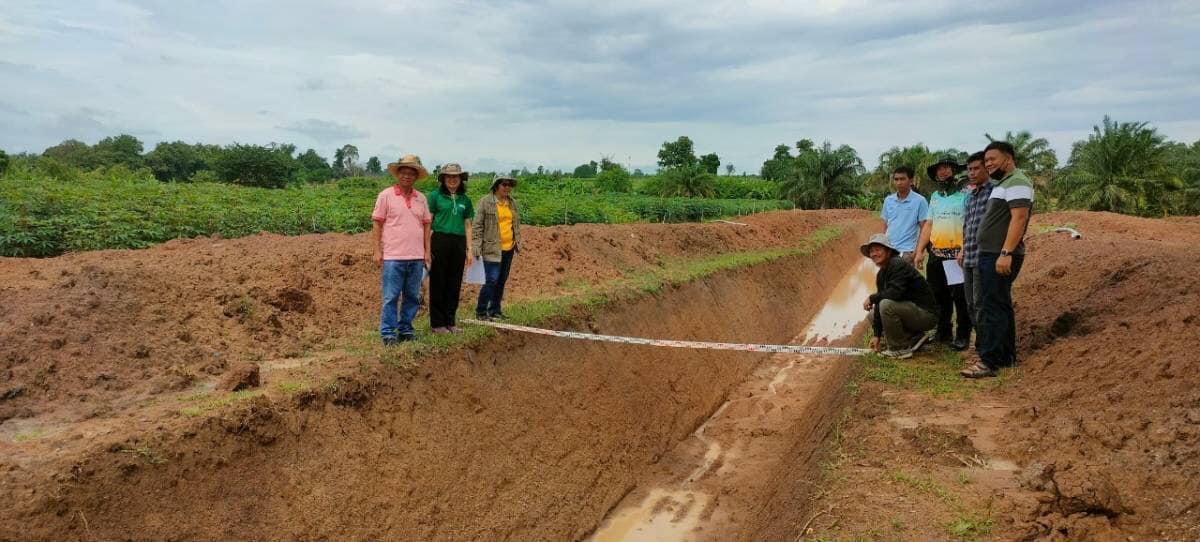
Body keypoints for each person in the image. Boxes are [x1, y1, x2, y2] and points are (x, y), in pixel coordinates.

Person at [961, 141, 1034, 379]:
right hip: (990, 253)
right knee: (998, 305)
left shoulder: (1018, 182)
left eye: (993, 159)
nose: (989, 164)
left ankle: (989, 361)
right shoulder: (1005, 183)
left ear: (1008, 158)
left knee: (993, 307)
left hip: (998, 254)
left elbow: (1019, 219)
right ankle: (1004, 356)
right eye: (987, 160)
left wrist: (1005, 253)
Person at [372, 155, 432, 345]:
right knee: (391, 296)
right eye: (403, 172)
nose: (407, 176)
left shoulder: (421, 199)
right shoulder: (386, 195)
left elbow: (426, 226)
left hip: (416, 256)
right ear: (398, 174)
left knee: (412, 296)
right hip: (393, 256)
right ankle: (388, 333)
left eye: (411, 173)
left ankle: (406, 329)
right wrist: (377, 250)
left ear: (416, 177)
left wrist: (427, 252)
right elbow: (377, 223)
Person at [913, 156, 971, 350]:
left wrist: (965, 248)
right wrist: (920, 250)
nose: (943, 171)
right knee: (938, 296)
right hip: (936, 255)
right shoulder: (936, 197)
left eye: (947, 168)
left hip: (955, 256)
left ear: (954, 170)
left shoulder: (965, 193)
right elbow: (929, 224)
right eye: (940, 169)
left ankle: (962, 336)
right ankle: (943, 331)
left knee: (959, 297)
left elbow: (971, 224)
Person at [861, 233, 938, 359]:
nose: (874, 254)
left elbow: (894, 293)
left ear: (888, 251)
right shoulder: (881, 274)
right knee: (873, 312)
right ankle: (913, 336)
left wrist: (872, 297)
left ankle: (900, 349)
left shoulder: (897, 264)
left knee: (886, 305)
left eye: (877, 250)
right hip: (911, 312)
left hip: (926, 315)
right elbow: (880, 301)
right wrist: (877, 335)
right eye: (871, 251)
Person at [426, 163, 475, 334]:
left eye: (456, 177)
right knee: (438, 281)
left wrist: (469, 249)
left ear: (461, 179)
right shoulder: (435, 197)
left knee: (454, 283)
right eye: (449, 177)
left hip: (459, 242)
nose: (452, 180)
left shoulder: (465, 200)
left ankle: (450, 321)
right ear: (443, 179)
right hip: (440, 240)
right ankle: (437, 323)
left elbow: (468, 225)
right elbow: (428, 222)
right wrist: (426, 247)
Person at [472, 174, 521, 320]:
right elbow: (477, 225)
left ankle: (495, 310)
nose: (507, 188)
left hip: (509, 248)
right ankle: (481, 311)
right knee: (491, 280)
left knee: (501, 280)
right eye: (504, 184)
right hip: (492, 248)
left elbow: (515, 224)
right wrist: (476, 246)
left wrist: (517, 241)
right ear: (496, 185)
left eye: (510, 185)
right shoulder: (485, 202)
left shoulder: (512, 203)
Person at [956, 151, 995, 330]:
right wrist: (963, 250)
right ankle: (981, 341)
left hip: (983, 258)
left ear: (986, 168)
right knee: (970, 303)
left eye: (976, 168)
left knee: (981, 303)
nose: (971, 173)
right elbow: (967, 227)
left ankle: (985, 345)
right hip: (969, 257)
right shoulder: (971, 197)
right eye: (969, 169)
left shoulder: (994, 193)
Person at [880, 166, 929, 263]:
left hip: (907, 252)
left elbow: (924, 229)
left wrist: (918, 251)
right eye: (896, 179)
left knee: (904, 278)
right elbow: (885, 226)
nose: (899, 182)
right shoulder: (888, 200)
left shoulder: (920, 201)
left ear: (910, 181)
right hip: (889, 250)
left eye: (902, 179)